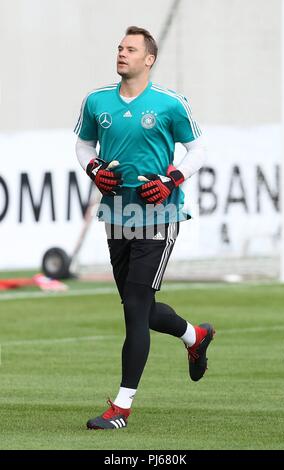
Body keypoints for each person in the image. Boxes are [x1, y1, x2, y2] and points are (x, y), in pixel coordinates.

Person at [74, 26, 215, 430]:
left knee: (136, 310)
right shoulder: (96, 100)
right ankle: (195, 336)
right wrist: (93, 169)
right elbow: (83, 144)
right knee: (142, 309)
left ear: (148, 59)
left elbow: (199, 149)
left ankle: (121, 406)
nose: (122, 53)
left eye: (130, 49)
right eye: (120, 47)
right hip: (117, 216)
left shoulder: (170, 104)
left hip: (159, 216)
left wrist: (173, 180)